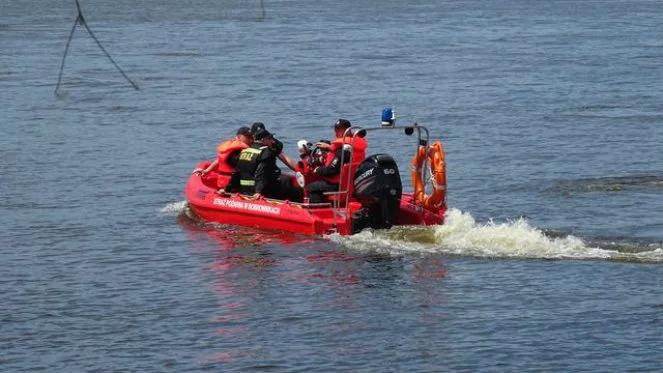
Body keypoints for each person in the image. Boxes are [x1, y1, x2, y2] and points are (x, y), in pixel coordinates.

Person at [306, 119, 368, 203]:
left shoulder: (343, 150)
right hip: (353, 184)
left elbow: (332, 170)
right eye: (336, 130)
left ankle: (318, 210)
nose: (336, 133)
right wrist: (329, 148)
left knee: (311, 187)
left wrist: (318, 169)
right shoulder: (356, 146)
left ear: (345, 130)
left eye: (338, 130)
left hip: (339, 185)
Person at [232, 129, 302, 201]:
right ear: (263, 140)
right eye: (269, 138)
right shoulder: (266, 152)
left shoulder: (245, 151)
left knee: (284, 180)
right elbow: (261, 172)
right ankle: (301, 206)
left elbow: (236, 172)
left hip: (245, 190)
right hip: (261, 191)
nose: (271, 141)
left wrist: (229, 188)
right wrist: (258, 191)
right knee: (287, 182)